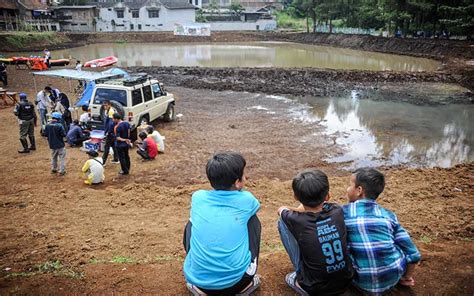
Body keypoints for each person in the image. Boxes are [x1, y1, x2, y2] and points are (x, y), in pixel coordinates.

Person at [183, 152, 261, 296]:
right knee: (252, 220)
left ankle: (199, 276)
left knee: (191, 223)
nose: (246, 177)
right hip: (238, 283)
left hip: (198, 281)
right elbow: (255, 207)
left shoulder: (198, 197)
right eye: (244, 175)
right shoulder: (247, 199)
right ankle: (249, 283)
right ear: (238, 182)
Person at [343, 168, 421, 294]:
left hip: (360, 281)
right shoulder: (388, 215)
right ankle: (403, 278)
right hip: (391, 279)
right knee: (396, 241)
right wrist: (406, 277)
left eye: (350, 185)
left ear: (359, 191)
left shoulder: (343, 213)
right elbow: (414, 254)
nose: (347, 189)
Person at [277, 169, 354, 295]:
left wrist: (297, 209)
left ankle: (298, 279)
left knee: (281, 222)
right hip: (346, 281)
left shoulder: (296, 219)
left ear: (296, 197)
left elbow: (281, 209)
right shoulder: (337, 211)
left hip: (314, 288)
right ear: (327, 196)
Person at [102, 100, 119, 165]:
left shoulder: (111, 112)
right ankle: (116, 159)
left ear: (109, 105)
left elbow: (111, 124)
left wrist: (108, 132)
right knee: (113, 146)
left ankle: (103, 162)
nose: (105, 107)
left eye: (106, 105)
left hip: (110, 133)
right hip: (112, 133)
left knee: (106, 147)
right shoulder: (108, 111)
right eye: (104, 106)